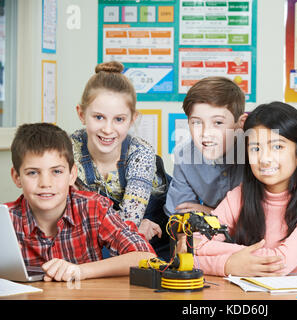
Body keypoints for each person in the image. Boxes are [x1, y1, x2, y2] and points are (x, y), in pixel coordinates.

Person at [190, 102, 297, 277]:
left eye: (277, 147)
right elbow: (189, 247)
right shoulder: (240, 195)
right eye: (256, 148)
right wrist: (228, 265)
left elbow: (279, 264)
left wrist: (232, 259)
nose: (265, 159)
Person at [6, 123, 155, 282]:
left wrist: (80, 270)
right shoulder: (6, 220)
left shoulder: (94, 208)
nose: (45, 183)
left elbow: (146, 258)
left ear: (72, 174)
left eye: (56, 171)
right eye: (33, 173)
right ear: (17, 177)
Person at [72, 61, 170, 259]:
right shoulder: (67, 150)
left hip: (156, 241)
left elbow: (126, 229)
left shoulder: (140, 153)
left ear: (132, 119)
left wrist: (133, 228)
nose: (108, 129)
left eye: (119, 119)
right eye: (99, 117)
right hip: (108, 238)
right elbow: (72, 214)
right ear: (82, 115)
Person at [164, 76, 248, 216]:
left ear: (241, 123)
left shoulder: (256, 153)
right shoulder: (184, 155)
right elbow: (180, 213)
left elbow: (262, 215)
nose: (206, 133)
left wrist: (211, 212)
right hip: (211, 235)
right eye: (197, 122)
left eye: (218, 123)